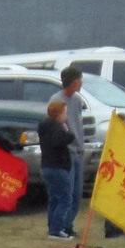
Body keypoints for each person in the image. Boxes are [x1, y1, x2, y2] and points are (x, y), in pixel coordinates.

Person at [48, 67, 86, 239]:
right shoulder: (57, 100)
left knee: (77, 194)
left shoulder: (77, 100)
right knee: (66, 192)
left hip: (79, 151)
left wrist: (82, 146)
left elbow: (78, 124)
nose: (81, 83)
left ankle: (68, 225)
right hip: (67, 153)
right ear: (71, 81)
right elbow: (55, 126)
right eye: (79, 80)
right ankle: (59, 227)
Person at [39, 99, 76, 240]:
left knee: (54, 198)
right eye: (65, 113)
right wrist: (68, 133)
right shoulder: (56, 126)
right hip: (57, 167)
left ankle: (52, 228)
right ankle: (56, 230)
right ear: (60, 114)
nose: (66, 116)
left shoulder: (43, 125)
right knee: (65, 198)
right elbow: (59, 141)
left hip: (47, 166)